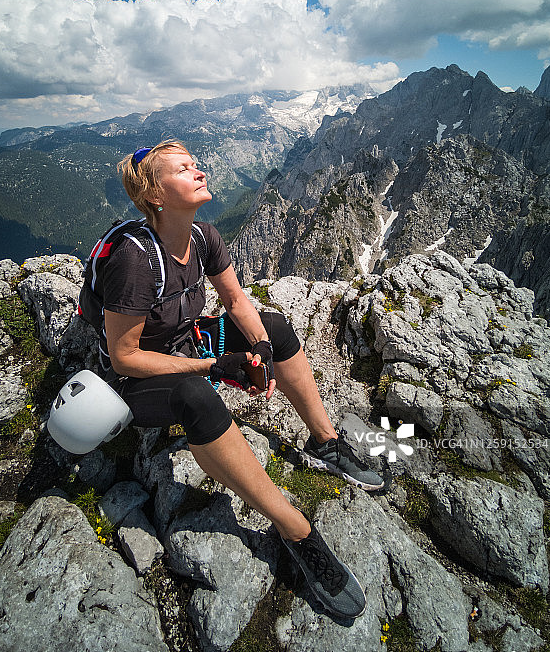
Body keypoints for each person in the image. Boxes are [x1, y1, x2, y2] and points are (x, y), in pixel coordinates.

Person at [102, 139, 383, 619]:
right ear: (155, 195)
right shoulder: (135, 260)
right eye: (183, 168)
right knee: (197, 396)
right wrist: (214, 368)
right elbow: (125, 357)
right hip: (138, 381)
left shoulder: (204, 237)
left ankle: (325, 440)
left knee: (272, 324)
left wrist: (261, 350)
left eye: (195, 162)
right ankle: (296, 530)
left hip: (185, 345)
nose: (198, 171)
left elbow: (236, 303)